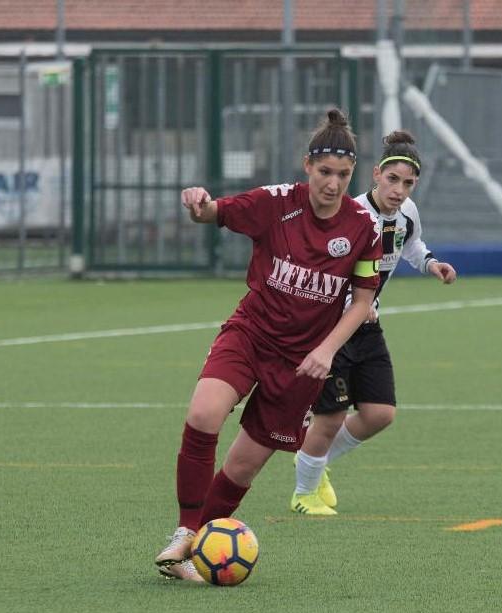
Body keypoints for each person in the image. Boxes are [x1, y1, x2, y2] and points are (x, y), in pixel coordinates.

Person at [154, 109, 382, 581]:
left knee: (241, 468)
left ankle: (193, 554)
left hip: (302, 364)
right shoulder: (277, 203)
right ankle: (184, 531)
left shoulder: (363, 226)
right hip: (252, 333)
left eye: (343, 175)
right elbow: (215, 211)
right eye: (325, 172)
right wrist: (199, 204)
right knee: (203, 414)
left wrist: (326, 350)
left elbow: (362, 302)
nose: (333, 184)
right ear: (307, 166)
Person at [289, 130, 457, 516]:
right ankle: (303, 493)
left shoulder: (407, 213)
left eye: (408, 183)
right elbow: (326, 269)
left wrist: (431, 264)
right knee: (330, 416)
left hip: (369, 324)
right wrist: (353, 303)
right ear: (375, 176)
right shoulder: (351, 217)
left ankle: (314, 460)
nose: (399, 191)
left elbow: (411, 244)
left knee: (380, 413)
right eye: (392, 180)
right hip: (334, 326)